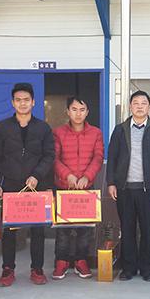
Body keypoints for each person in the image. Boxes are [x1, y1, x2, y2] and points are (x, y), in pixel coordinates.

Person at [0, 82, 55, 286]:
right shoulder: (3, 127)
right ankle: (8, 269)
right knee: (10, 229)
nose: (22, 103)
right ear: (13, 103)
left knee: (38, 230)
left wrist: (37, 175)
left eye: (26, 100)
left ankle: (37, 269)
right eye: (18, 100)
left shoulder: (43, 128)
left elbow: (49, 155)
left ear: (33, 102)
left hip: (36, 185)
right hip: (11, 185)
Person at [107, 90, 150, 282]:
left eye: (144, 103)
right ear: (130, 106)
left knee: (148, 230)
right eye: (136, 103)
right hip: (124, 189)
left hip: (149, 190)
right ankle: (128, 268)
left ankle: (147, 269)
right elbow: (112, 158)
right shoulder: (120, 130)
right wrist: (111, 182)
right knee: (127, 230)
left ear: (149, 107)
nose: (140, 106)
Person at [51, 96, 104, 280]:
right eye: (74, 109)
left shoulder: (96, 133)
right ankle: (61, 261)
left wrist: (87, 176)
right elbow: (54, 158)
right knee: (63, 229)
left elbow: (98, 157)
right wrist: (68, 176)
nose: (78, 114)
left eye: (82, 110)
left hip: (86, 188)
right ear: (68, 112)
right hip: (64, 187)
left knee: (85, 229)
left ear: (87, 112)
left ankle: (81, 260)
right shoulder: (58, 133)